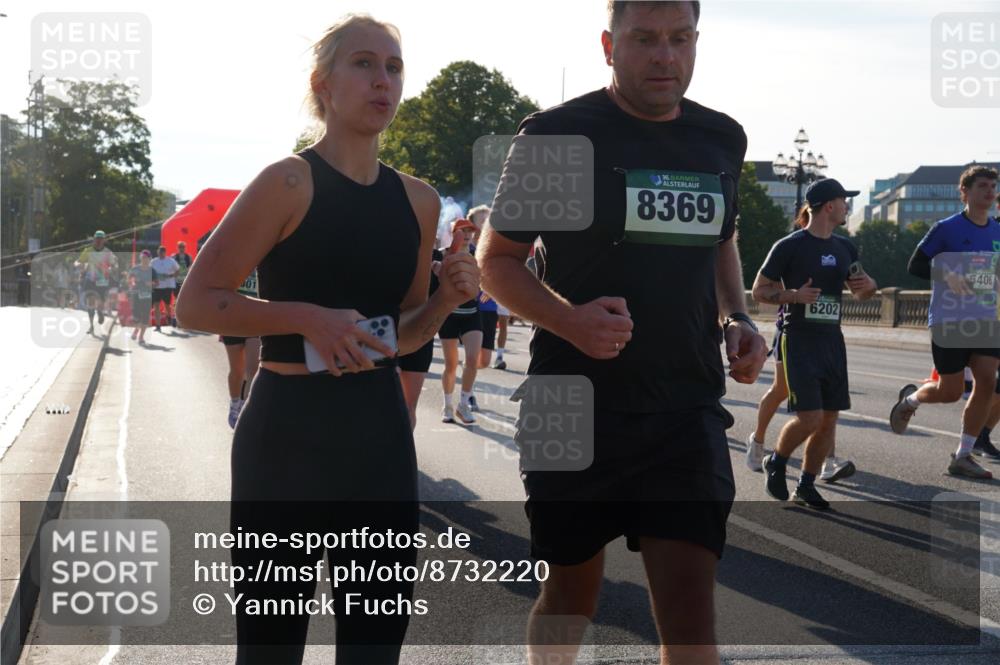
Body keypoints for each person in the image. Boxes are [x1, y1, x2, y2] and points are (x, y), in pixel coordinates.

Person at [175, 14, 478, 664]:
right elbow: (196, 302)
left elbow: (399, 333)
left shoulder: (420, 202)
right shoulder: (288, 181)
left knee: (373, 650)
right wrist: (304, 316)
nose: (383, 79)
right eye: (365, 63)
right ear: (324, 84)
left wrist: (447, 298)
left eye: (394, 67)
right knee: (269, 650)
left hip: (378, 442)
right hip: (285, 440)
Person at [477, 2, 766, 663]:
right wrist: (568, 320)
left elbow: (723, 239)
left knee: (692, 617)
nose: (664, 55)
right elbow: (497, 262)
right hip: (566, 403)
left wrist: (737, 316)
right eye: (645, 39)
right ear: (610, 44)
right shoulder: (558, 135)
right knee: (571, 595)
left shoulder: (721, 137)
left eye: (679, 39)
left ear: (696, 42)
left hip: (685, 404)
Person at [752, 179, 878, 510]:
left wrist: (870, 286)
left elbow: (860, 292)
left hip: (832, 340)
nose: (848, 206)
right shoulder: (789, 246)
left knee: (828, 420)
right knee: (809, 418)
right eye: (843, 200)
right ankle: (776, 461)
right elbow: (759, 290)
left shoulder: (846, 248)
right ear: (828, 206)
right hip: (799, 339)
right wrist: (792, 296)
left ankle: (806, 485)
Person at [890, 165, 1000, 479]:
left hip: (987, 318)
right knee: (950, 391)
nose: (990, 192)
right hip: (949, 319)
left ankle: (963, 455)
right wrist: (946, 274)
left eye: (993, 186)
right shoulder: (946, 228)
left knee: (987, 380)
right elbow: (916, 264)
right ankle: (911, 399)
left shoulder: (998, 231)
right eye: (982, 186)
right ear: (964, 192)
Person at [438, 217, 482, 425]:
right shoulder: (443, 254)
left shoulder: (477, 255)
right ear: (454, 232)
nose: (466, 235)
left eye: (470, 231)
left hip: (472, 313)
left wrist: (489, 290)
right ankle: (447, 404)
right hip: (449, 315)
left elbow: (487, 277)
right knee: (451, 364)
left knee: (473, 360)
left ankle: (463, 403)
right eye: (462, 231)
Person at [220, 269, 262, 428]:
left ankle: (246, 411)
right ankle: (234, 403)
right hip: (232, 321)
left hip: (255, 320)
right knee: (237, 370)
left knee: (252, 370)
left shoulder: (263, 260)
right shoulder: (237, 261)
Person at [75, 230, 119, 334]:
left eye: (101, 239)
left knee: (101, 302)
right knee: (90, 302)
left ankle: (100, 311)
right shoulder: (88, 250)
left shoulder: (108, 252)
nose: (98, 241)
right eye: (97, 239)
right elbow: (78, 261)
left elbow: (115, 264)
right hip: (91, 279)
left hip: (103, 280)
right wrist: (77, 264)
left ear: (104, 240)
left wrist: (112, 269)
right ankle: (91, 326)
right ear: (94, 239)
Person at [150, 246, 179, 332]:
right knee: (156, 305)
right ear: (157, 252)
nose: (161, 253)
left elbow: (177, 271)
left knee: (167, 306)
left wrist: (171, 276)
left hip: (167, 286)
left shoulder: (170, 261)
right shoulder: (153, 261)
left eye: (162, 252)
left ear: (165, 252)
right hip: (157, 287)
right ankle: (158, 325)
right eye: (159, 252)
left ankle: (169, 316)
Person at [128, 250, 154, 345]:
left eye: (146, 258)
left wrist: (151, 283)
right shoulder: (135, 268)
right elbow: (130, 279)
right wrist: (133, 283)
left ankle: (141, 337)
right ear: (140, 258)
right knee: (137, 316)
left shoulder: (152, 270)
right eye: (143, 258)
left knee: (145, 316)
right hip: (136, 294)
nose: (144, 259)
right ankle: (136, 330)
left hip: (147, 295)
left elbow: (157, 282)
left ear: (149, 259)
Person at [172, 241, 193, 326]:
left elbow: (191, 266)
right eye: (180, 247)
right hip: (176, 281)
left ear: (185, 248)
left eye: (183, 247)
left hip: (185, 281)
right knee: (176, 299)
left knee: (184, 299)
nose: (181, 248)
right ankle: (176, 317)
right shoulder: (174, 257)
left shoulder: (189, 257)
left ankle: (184, 318)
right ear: (178, 248)